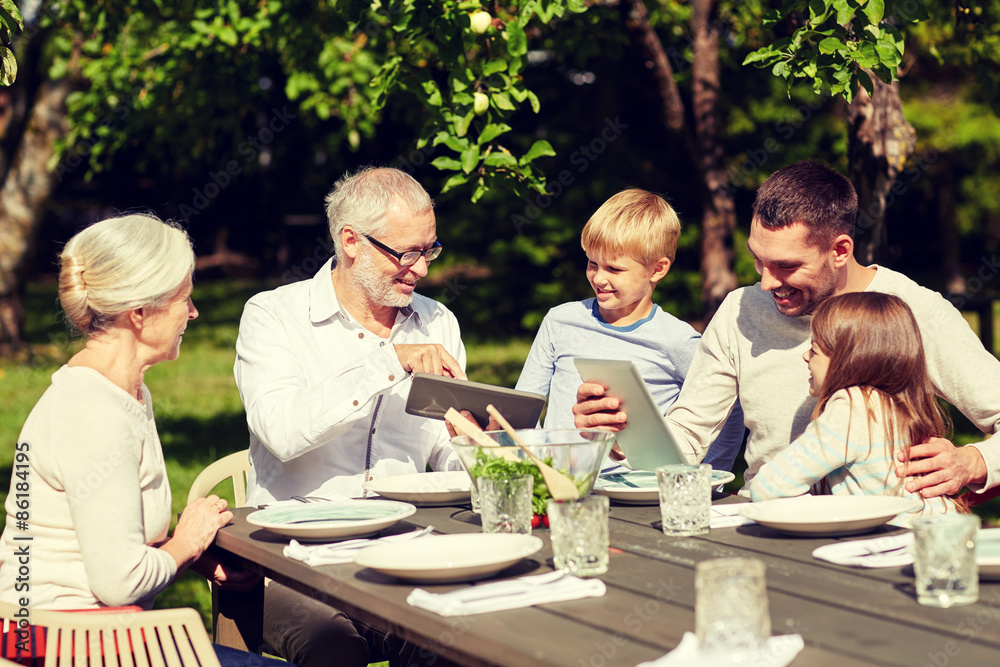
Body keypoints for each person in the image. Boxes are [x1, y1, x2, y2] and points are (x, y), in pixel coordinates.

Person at [574, 161, 1000, 499]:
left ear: (839, 250)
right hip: (766, 523)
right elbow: (687, 439)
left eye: (786, 266)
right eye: (759, 260)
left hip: (881, 535)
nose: (766, 283)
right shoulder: (741, 309)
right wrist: (620, 432)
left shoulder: (911, 310)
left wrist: (974, 462)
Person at [0, 214, 274, 665]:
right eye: (184, 299)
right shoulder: (93, 412)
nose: (194, 312)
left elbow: (108, 537)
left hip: (85, 638)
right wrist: (187, 541)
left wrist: (187, 553)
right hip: (59, 647)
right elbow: (119, 582)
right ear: (140, 313)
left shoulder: (123, 390)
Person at [233, 167, 465, 667]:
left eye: (429, 250)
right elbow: (282, 431)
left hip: (402, 550)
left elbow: (445, 453)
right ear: (351, 241)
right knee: (335, 655)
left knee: (458, 649)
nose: (421, 268)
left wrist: (472, 440)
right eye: (405, 253)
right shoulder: (274, 315)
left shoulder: (438, 321)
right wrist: (387, 363)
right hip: (292, 559)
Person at [514, 189, 744, 468]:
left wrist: (710, 480)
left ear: (657, 270)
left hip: (639, 494)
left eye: (614, 269)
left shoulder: (680, 342)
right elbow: (525, 407)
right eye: (592, 263)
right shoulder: (560, 321)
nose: (598, 277)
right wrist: (536, 465)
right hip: (558, 484)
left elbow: (726, 414)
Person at [748, 292, 962, 524]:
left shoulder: (851, 407)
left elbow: (767, 487)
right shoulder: (894, 404)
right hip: (939, 533)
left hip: (898, 544)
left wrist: (823, 511)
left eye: (815, 349)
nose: (805, 356)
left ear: (847, 360)